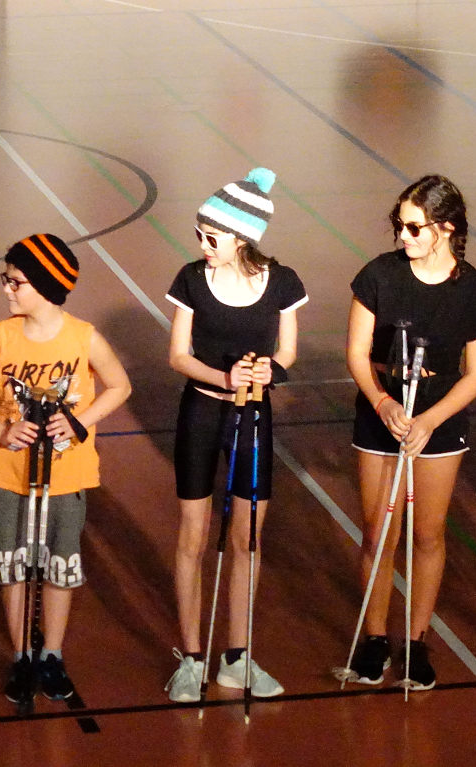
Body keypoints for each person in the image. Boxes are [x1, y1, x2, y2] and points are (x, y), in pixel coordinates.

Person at [0, 234, 131, 703]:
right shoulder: (2, 335)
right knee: (13, 566)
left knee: (58, 564)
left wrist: (78, 421)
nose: (6, 289)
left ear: (47, 285)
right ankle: (21, 655)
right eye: (6, 279)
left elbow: (119, 385)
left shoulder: (83, 337)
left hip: (67, 475)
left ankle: (51, 654)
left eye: (15, 281)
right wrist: (1, 431)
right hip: (7, 474)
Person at [344, 174, 476, 690]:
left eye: (414, 227)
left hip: (439, 417)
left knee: (428, 534)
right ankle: (374, 638)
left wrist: (431, 421)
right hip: (383, 410)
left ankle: (416, 641)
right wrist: (383, 402)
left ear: (446, 228)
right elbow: (357, 353)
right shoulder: (379, 275)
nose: (402, 236)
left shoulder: (475, 291)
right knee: (377, 533)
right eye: (399, 225)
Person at [164, 168, 307, 702]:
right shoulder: (191, 279)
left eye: (212, 237)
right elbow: (178, 356)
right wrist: (222, 377)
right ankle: (191, 657)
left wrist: (272, 370)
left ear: (243, 238)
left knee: (248, 539)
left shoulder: (283, 282)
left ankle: (237, 657)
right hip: (202, 415)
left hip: (253, 417)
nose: (202, 245)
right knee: (193, 537)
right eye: (199, 234)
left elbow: (287, 352)